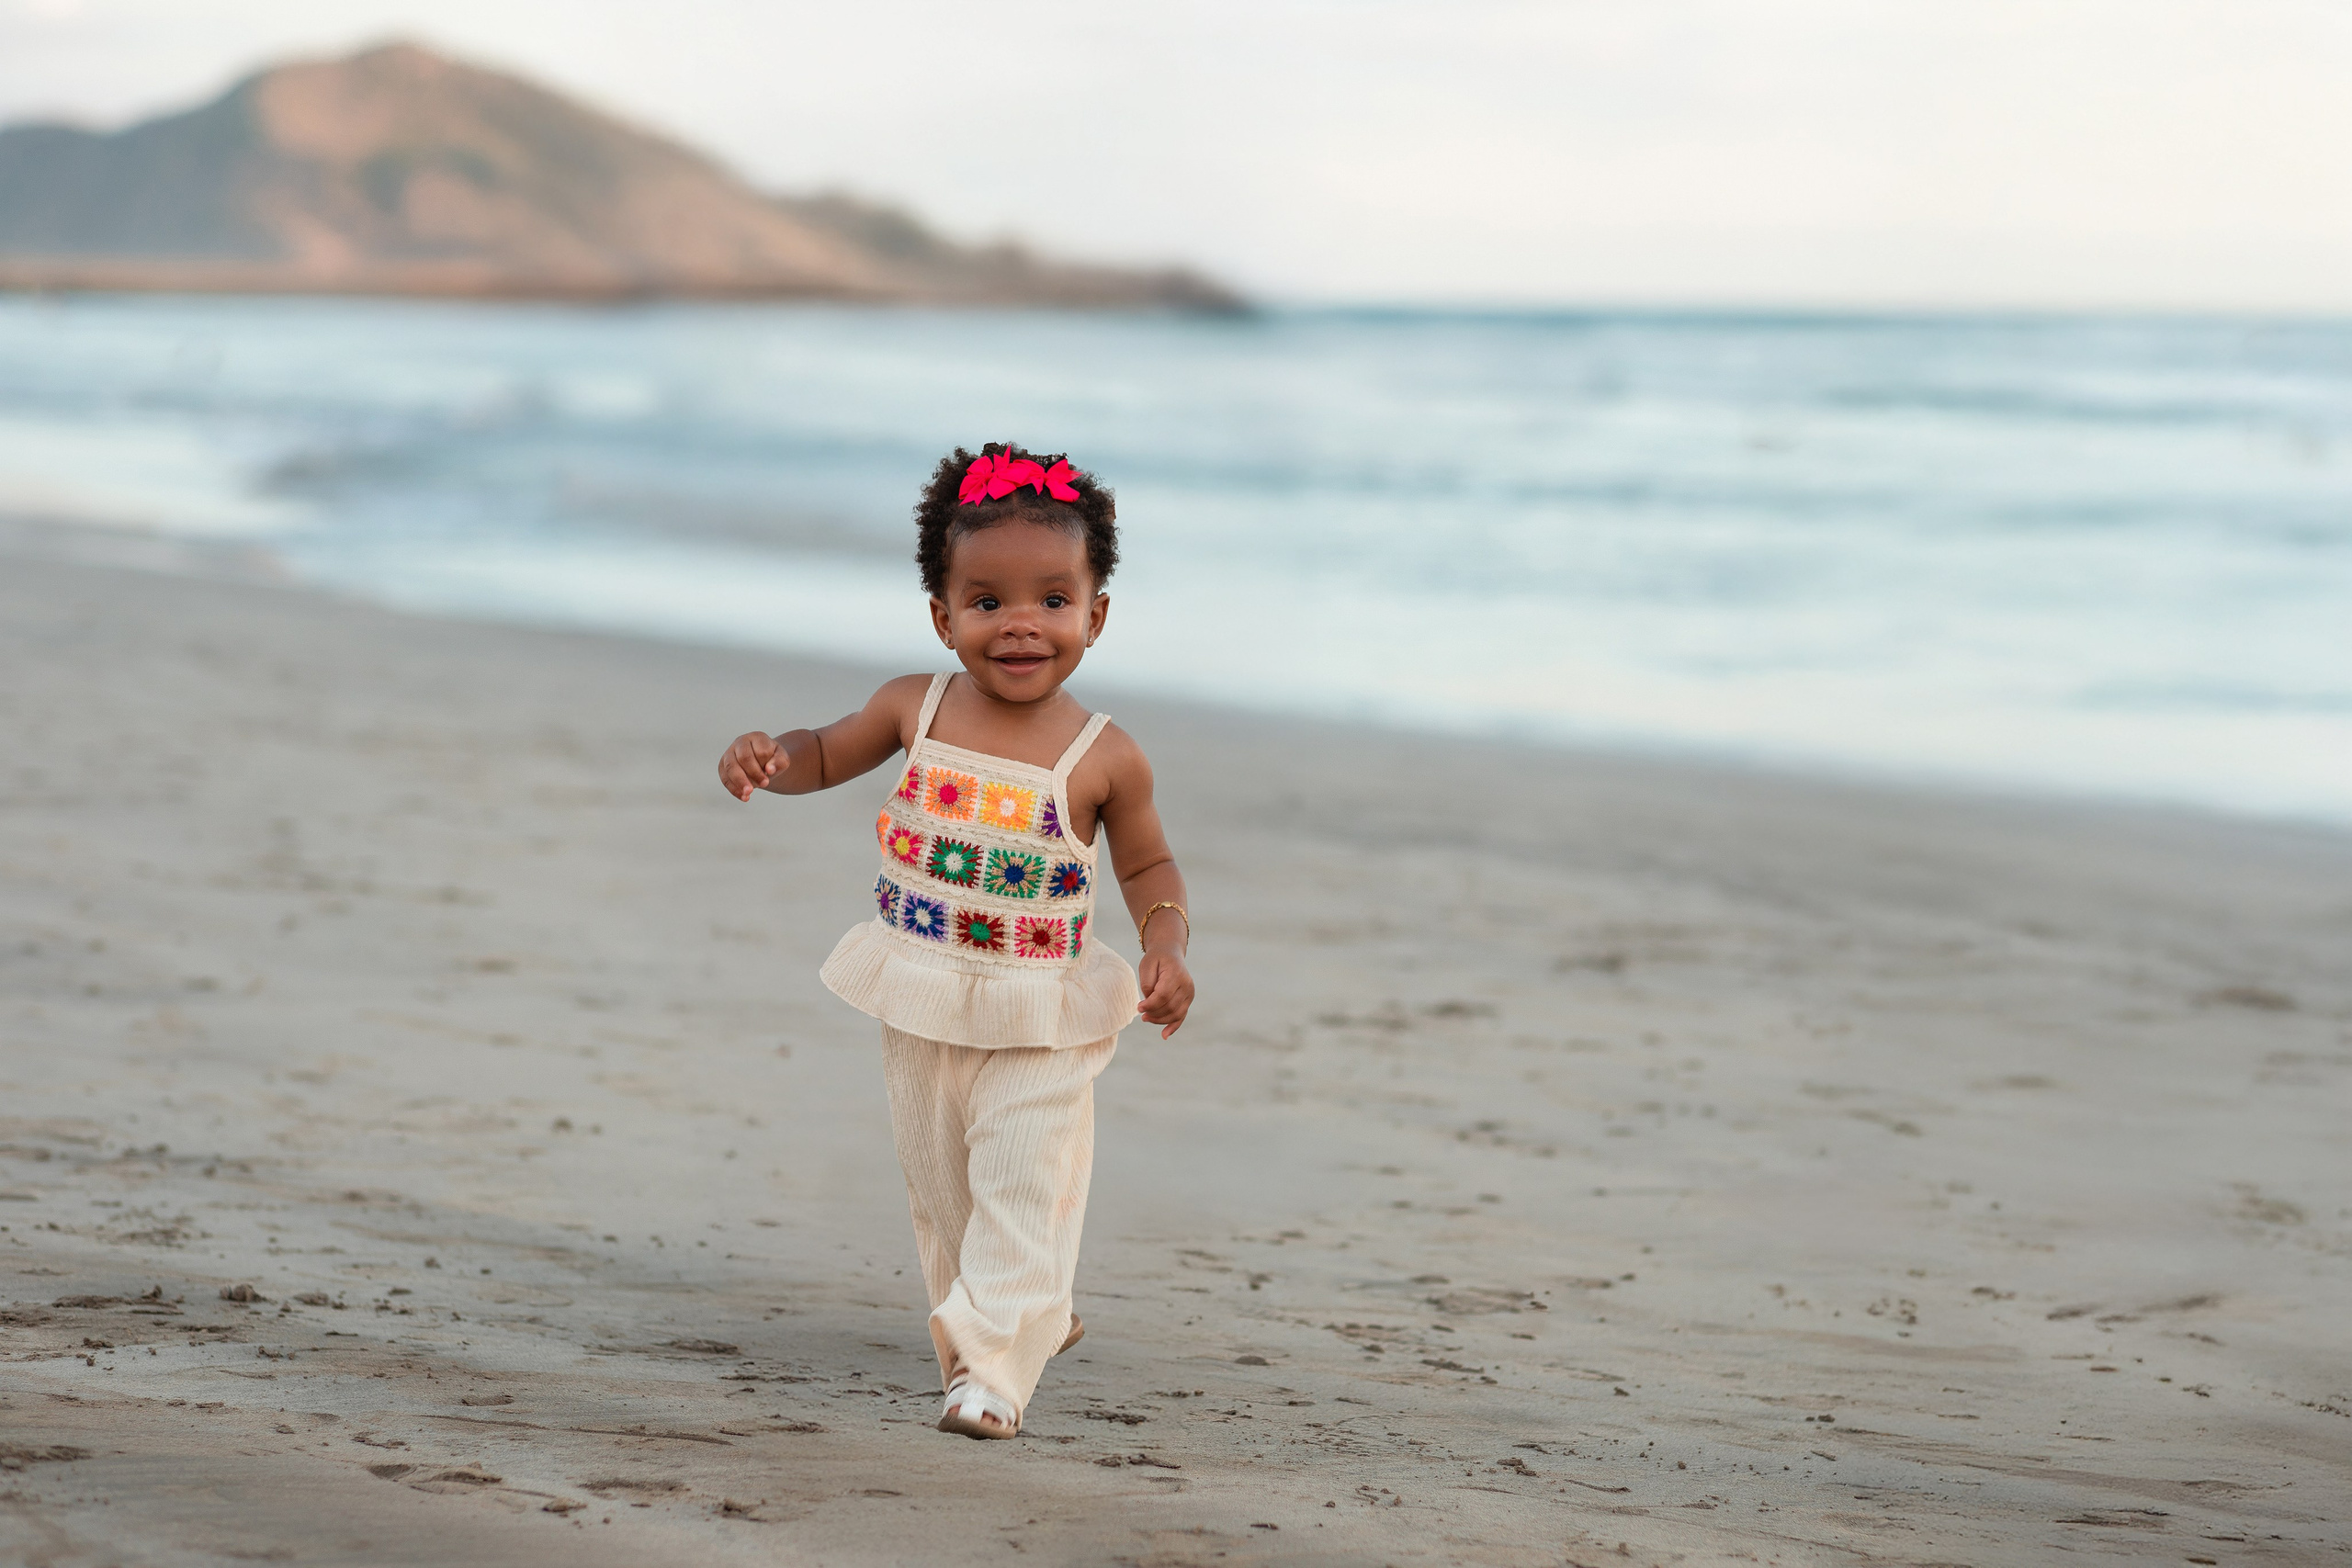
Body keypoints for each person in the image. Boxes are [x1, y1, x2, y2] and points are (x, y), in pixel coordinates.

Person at [716, 442, 1194, 1440]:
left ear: (1094, 614)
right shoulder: (912, 708)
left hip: (1040, 1013)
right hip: (923, 995)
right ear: (944, 616)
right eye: (987, 603)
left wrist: (1165, 947)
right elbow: (821, 753)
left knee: (1022, 1176)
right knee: (946, 1198)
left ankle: (990, 1375)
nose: (1021, 623)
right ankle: (1032, 1313)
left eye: (1052, 601)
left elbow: (1146, 868)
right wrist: (773, 755)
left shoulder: (1103, 755)